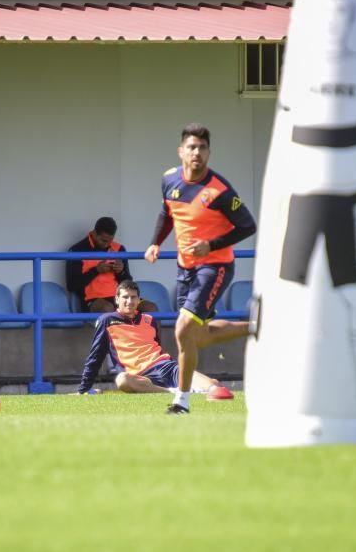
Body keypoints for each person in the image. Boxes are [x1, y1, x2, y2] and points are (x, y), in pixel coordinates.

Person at [144, 124, 257, 414]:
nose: (197, 153)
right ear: (181, 151)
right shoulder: (169, 179)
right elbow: (166, 213)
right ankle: (258, 326)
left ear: (208, 152)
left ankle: (181, 401)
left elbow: (248, 226)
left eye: (202, 148)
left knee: (182, 329)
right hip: (185, 269)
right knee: (198, 335)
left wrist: (212, 244)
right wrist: (155, 243)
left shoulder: (218, 189)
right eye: (192, 147)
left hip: (215, 266)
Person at [76, 280, 233, 399]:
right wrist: (84, 389)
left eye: (133, 298)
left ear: (139, 300)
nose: (129, 302)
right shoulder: (107, 320)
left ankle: (190, 387)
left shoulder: (148, 319)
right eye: (125, 297)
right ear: (116, 299)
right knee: (122, 380)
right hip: (139, 376)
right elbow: (95, 357)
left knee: (215, 388)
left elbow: (157, 347)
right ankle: (172, 392)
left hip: (166, 367)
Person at [66, 217, 156, 313]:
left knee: (150, 308)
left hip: (120, 297)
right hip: (93, 300)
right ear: (94, 233)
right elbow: (72, 286)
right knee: (107, 308)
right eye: (104, 241)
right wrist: (96, 271)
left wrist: (121, 272)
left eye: (110, 241)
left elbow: (128, 283)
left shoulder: (119, 249)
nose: (107, 245)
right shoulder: (77, 250)